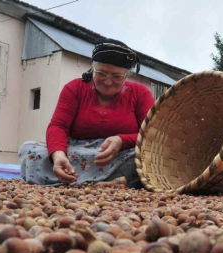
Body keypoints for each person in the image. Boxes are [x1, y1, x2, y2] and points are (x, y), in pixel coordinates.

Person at [19, 38, 155, 187]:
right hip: (77, 150)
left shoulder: (140, 93)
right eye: (102, 73)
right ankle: (121, 182)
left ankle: (75, 181)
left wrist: (122, 141)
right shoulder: (75, 88)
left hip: (120, 154)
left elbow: (150, 135)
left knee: (148, 158)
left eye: (117, 76)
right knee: (29, 150)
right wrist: (58, 155)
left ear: (126, 75)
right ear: (92, 69)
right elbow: (58, 126)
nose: (108, 82)